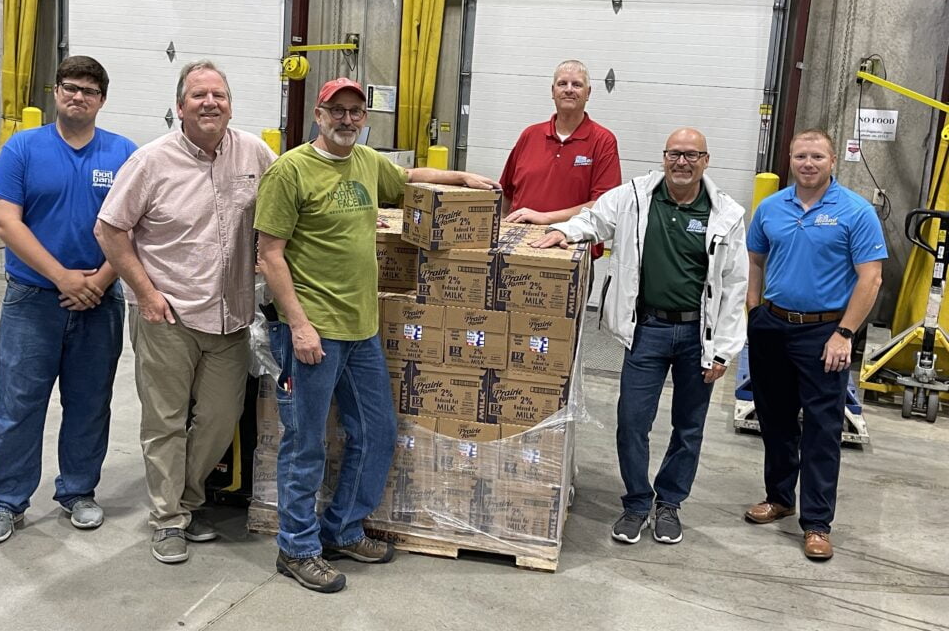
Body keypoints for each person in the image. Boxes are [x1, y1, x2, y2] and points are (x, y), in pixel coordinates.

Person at [256, 77, 497, 593]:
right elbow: (269, 254)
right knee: (305, 445)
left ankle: (342, 527)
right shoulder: (291, 170)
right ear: (318, 116)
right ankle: (295, 548)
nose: (347, 120)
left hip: (362, 329)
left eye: (355, 112)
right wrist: (298, 324)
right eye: (336, 111)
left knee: (378, 433)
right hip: (313, 332)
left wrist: (462, 178)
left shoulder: (366, 163)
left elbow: (409, 176)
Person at [95, 60, 276, 564]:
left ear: (231, 104)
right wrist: (146, 293)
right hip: (166, 316)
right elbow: (109, 230)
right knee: (165, 423)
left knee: (218, 421)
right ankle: (168, 519)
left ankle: (188, 501)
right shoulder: (151, 162)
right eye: (198, 95)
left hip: (231, 317)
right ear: (179, 107)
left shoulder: (254, 154)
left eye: (219, 94)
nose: (210, 102)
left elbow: (287, 205)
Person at [533, 128, 748, 545]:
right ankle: (635, 503)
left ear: (706, 160)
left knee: (689, 426)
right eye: (674, 154)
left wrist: (723, 350)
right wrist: (565, 232)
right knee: (632, 422)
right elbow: (595, 218)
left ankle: (669, 504)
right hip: (646, 329)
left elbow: (735, 284)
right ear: (664, 157)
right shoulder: (635, 196)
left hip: (696, 336)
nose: (681, 162)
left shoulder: (726, 213)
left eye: (691, 155)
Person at [0, 56, 136, 545]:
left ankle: (78, 491)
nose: (78, 96)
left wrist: (101, 279)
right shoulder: (23, 148)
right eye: (70, 87)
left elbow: (135, 226)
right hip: (33, 301)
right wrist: (64, 277)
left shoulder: (124, 153)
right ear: (55, 91)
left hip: (100, 302)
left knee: (90, 403)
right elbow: (6, 222)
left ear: (102, 100)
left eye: (89, 90)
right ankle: (6, 501)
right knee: (20, 404)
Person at [744, 128, 885, 561]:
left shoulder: (855, 212)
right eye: (801, 155)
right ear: (790, 158)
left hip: (824, 333)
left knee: (823, 429)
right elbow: (755, 259)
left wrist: (844, 333)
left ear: (832, 162)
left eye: (817, 157)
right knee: (776, 418)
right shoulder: (770, 209)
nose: (808, 163)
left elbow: (871, 277)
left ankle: (818, 523)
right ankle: (780, 497)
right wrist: (754, 309)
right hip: (772, 326)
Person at [500, 59, 621, 240]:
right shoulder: (530, 135)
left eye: (577, 84)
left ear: (588, 93)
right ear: (553, 91)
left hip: (570, 244)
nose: (569, 89)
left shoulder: (603, 140)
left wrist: (545, 218)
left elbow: (604, 206)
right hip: (519, 241)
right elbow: (507, 193)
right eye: (562, 83)